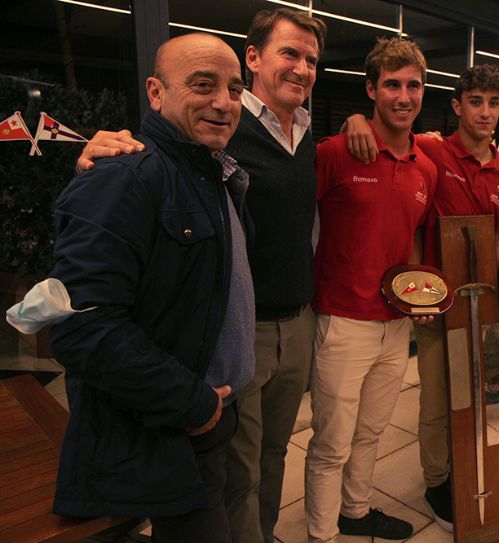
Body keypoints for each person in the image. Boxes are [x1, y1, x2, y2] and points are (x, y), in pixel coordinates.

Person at [74, 10, 327, 541]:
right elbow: (86, 320)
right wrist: (97, 156)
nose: (221, 101)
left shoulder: (279, 144)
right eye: (289, 53)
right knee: (236, 477)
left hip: (290, 325)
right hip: (216, 361)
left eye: (310, 58)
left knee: (267, 459)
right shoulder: (168, 156)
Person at [42, 33, 253, 541]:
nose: (223, 103)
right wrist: (193, 404)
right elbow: (80, 327)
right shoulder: (124, 176)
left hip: (203, 419)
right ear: (155, 93)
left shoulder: (210, 172)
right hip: (166, 427)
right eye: (203, 85)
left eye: (234, 88)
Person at [344, 64, 499, 532]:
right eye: (476, 102)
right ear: (458, 106)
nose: (485, 112)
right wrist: (355, 120)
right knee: (438, 402)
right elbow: (384, 134)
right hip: (435, 304)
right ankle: (437, 480)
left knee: (480, 398)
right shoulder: (430, 150)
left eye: (494, 102)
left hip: (483, 304)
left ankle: (470, 470)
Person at [305, 37, 437, 543]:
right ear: (371, 89)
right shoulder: (336, 153)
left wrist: (419, 294)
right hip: (341, 321)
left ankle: (354, 513)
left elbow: (416, 237)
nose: (403, 96)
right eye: (392, 85)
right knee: (331, 443)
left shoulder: (424, 166)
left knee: (371, 432)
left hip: (395, 323)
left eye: (413, 86)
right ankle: (322, 534)